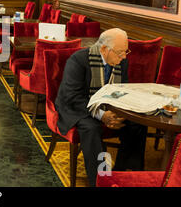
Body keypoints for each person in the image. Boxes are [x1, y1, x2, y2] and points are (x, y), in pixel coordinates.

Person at [55, 28, 147, 187]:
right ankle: (100, 180)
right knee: (91, 128)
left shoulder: (121, 60)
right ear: (104, 49)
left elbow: (121, 90)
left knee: (137, 123)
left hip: (107, 105)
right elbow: (72, 97)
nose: (124, 57)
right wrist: (102, 115)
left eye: (126, 52)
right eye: (120, 52)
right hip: (77, 107)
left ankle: (123, 171)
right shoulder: (78, 60)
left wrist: (120, 113)